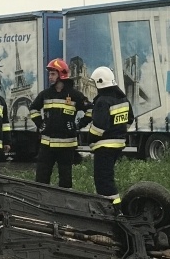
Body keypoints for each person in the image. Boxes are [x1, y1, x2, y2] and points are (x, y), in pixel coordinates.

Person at [29, 58, 92, 188]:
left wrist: (78, 125)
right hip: (47, 145)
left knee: (65, 179)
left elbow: (91, 110)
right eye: (49, 74)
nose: (50, 77)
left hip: (66, 145)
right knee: (41, 178)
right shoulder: (45, 94)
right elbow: (33, 109)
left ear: (61, 75)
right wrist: (40, 124)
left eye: (53, 74)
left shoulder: (75, 95)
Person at [83, 66, 134, 212]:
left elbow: (99, 127)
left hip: (104, 146)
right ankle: (110, 208)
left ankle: (113, 210)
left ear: (100, 82)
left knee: (103, 181)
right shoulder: (122, 98)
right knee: (107, 178)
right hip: (118, 145)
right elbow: (130, 119)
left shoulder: (102, 101)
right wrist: (120, 132)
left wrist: (90, 139)